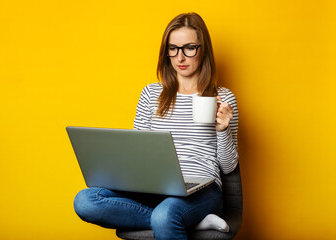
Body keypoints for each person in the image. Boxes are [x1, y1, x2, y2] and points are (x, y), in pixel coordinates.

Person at [73, 12, 239, 240]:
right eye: (173, 48)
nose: (180, 57)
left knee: (165, 215)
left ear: (203, 50)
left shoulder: (222, 98)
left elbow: (229, 167)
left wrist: (223, 130)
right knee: (86, 201)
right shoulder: (151, 94)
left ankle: (180, 217)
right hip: (156, 189)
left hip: (203, 189)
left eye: (189, 48)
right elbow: (138, 152)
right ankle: (194, 223)